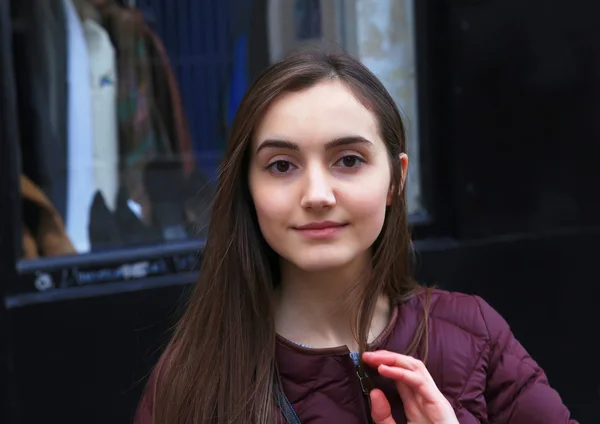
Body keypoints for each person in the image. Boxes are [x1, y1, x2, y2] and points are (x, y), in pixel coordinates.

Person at [134, 46, 577, 424]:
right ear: (248, 189)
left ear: (395, 180)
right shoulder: (192, 374)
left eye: (348, 160)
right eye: (281, 165)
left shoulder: (474, 335)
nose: (317, 194)